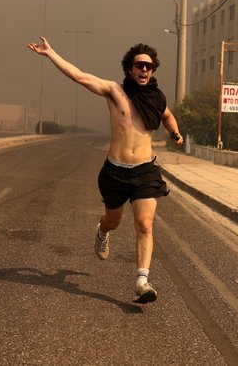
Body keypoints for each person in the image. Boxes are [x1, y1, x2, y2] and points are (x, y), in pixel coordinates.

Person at [27, 37, 183, 304]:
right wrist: (51, 53)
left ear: (153, 70)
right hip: (115, 173)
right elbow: (78, 76)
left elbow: (167, 116)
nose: (144, 70)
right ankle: (102, 231)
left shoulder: (157, 99)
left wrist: (176, 133)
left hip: (145, 171)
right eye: (139, 65)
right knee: (113, 220)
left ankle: (141, 282)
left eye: (149, 66)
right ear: (130, 69)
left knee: (144, 224)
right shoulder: (114, 91)